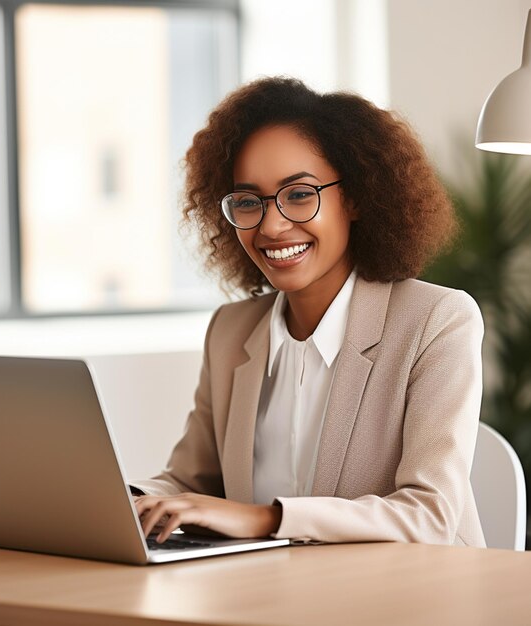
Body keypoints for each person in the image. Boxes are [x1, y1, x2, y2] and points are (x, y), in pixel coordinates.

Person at [132, 77, 485, 548]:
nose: (271, 225)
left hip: (409, 602)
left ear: (356, 197)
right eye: (247, 201)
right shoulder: (231, 332)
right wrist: (125, 500)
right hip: (268, 597)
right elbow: (190, 483)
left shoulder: (437, 321)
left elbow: (429, 516)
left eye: (299, 194)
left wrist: (264, 520)